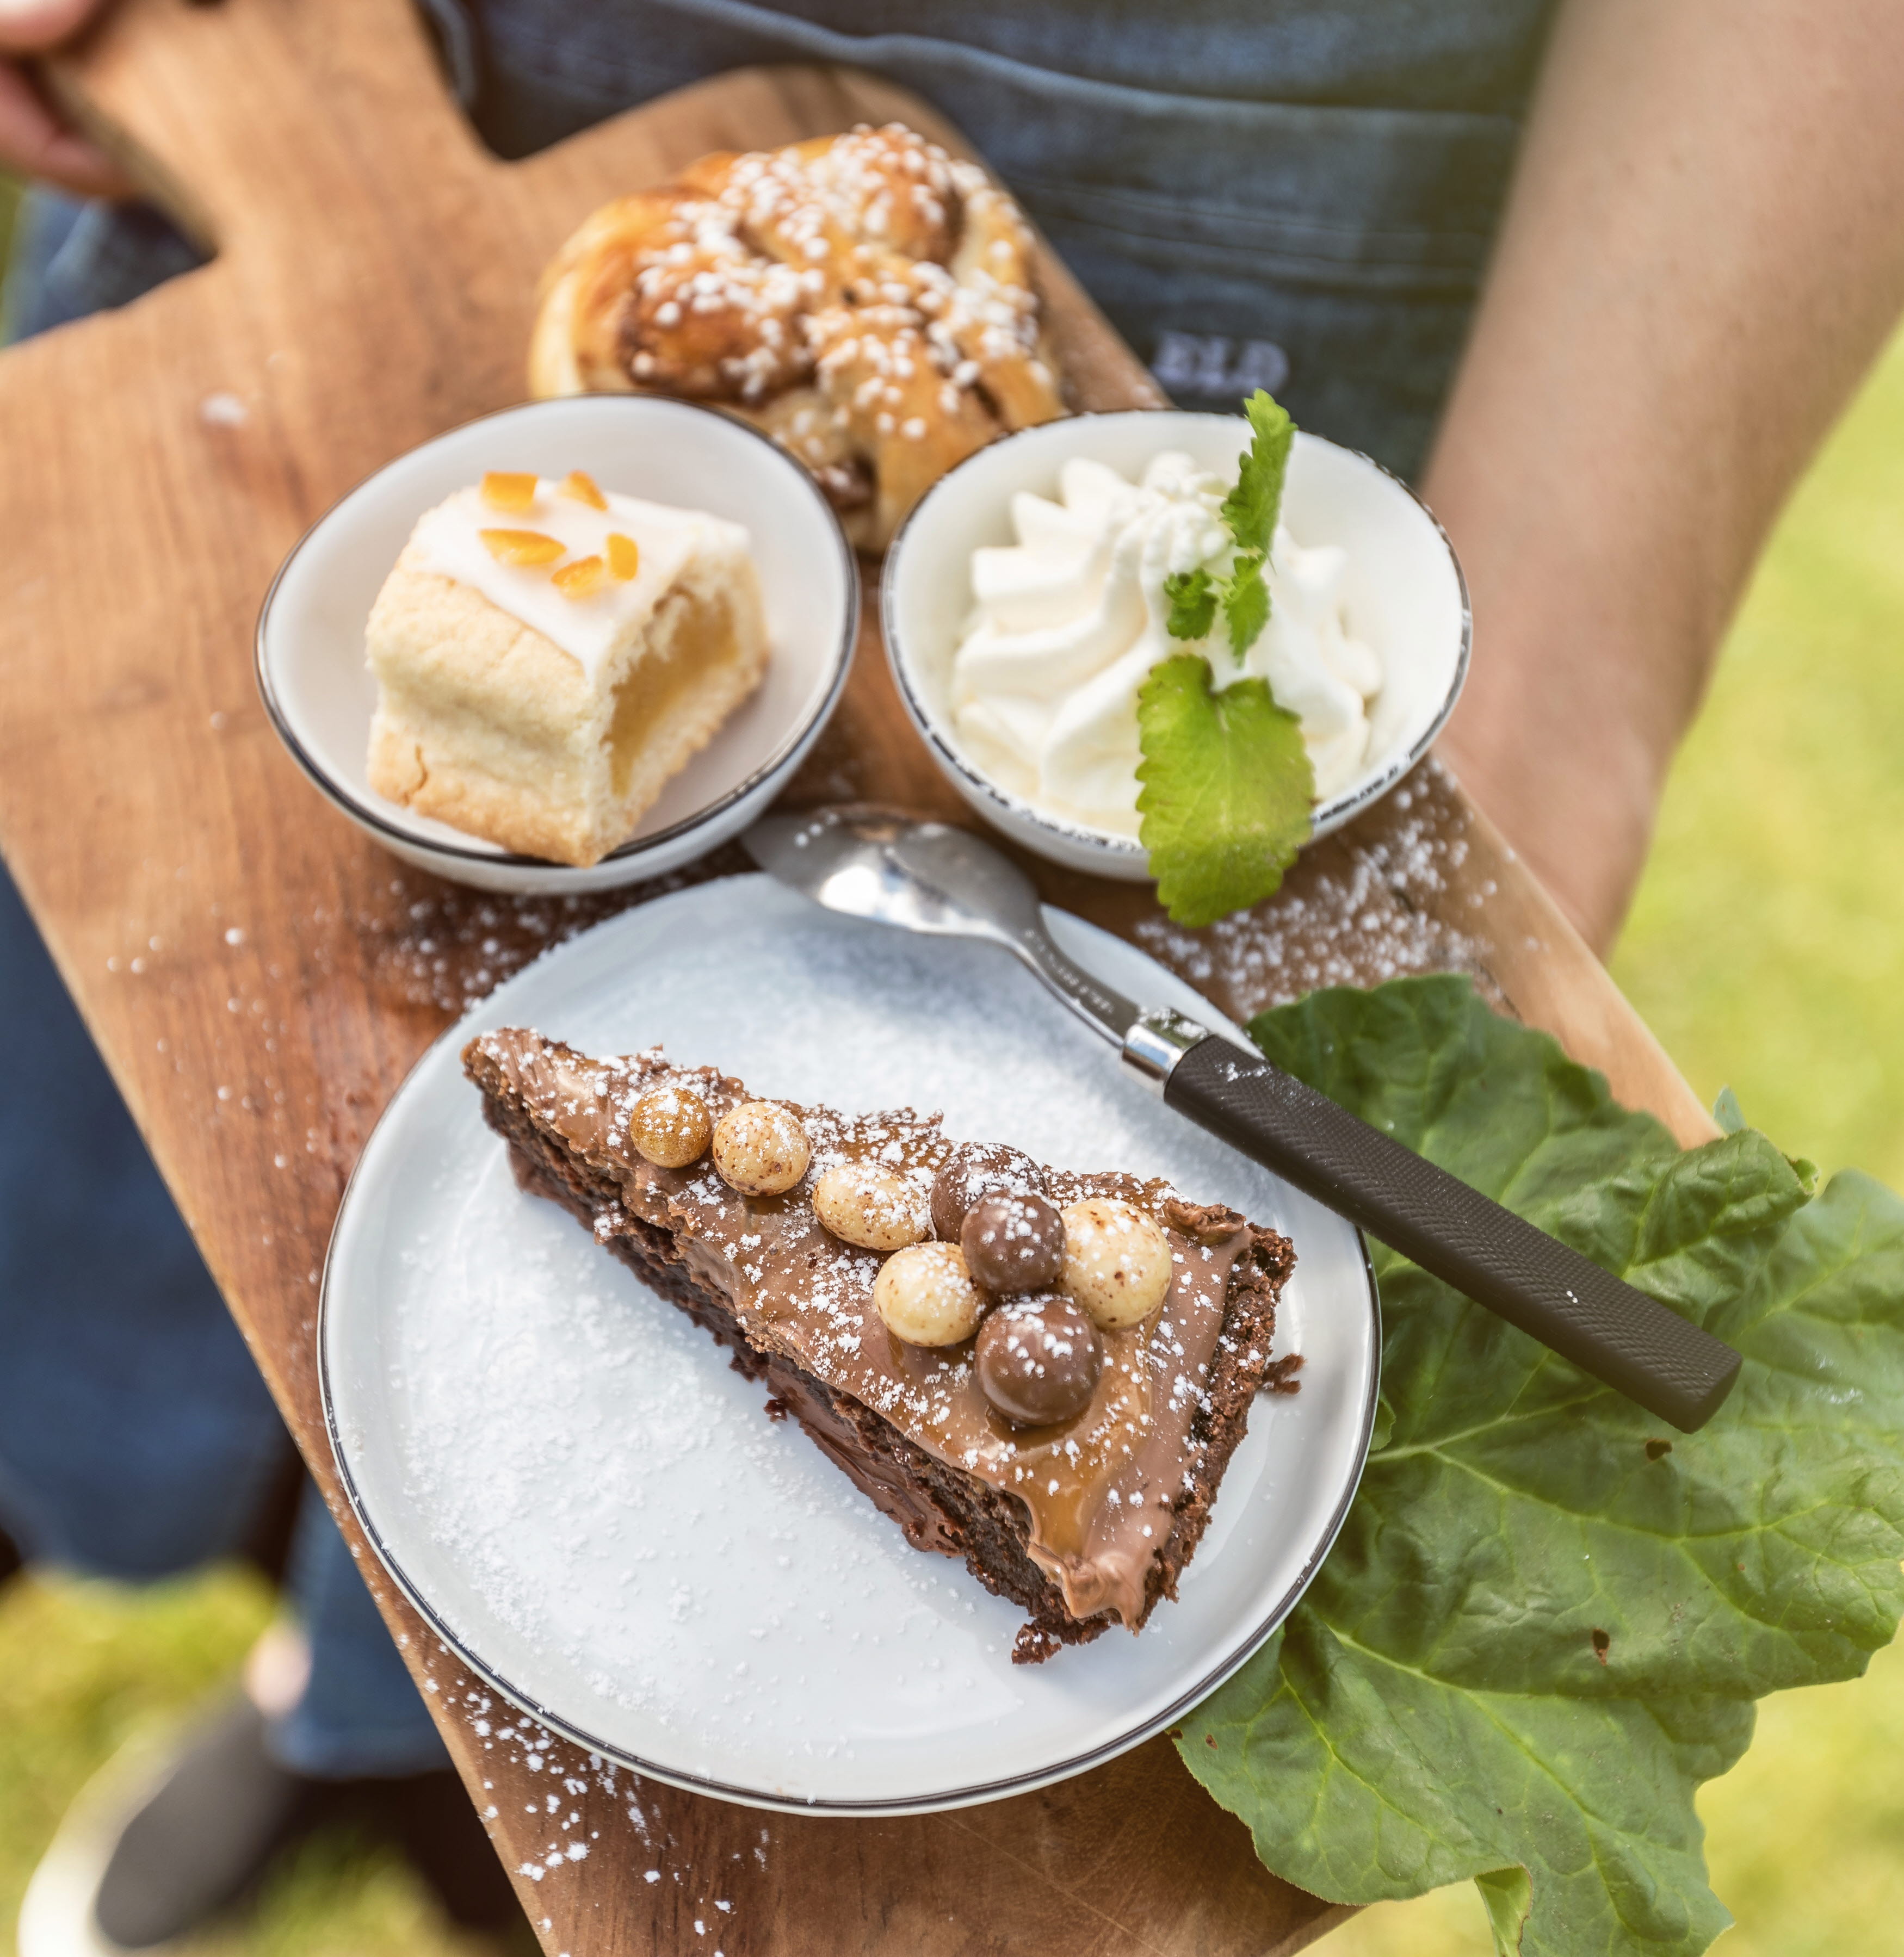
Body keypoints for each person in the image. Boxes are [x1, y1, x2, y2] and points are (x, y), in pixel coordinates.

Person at [3, 0, 1902, 1948]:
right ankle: (317, 1693)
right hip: (322, 84)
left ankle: (406, 1782)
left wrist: (1566, 713)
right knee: (158, 1234)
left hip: (1210, 252)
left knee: (565, 1767)